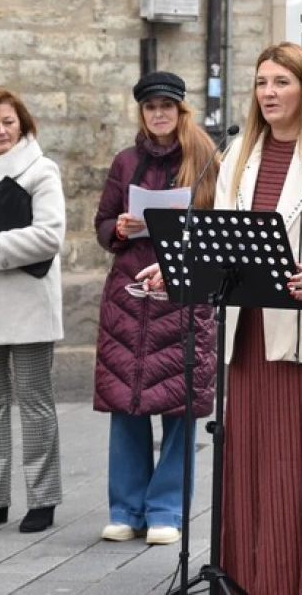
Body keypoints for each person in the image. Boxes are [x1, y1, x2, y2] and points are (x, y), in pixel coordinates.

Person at [139, 42, 302, 594]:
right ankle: (251, 573)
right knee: (250, 459)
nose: (268, 93)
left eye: (281, 82)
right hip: (247, 334)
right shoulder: (239, 151)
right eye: (262, 82)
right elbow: (219, 238)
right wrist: (169, 272)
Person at [93, 72, 218, 545]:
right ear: (142, 113)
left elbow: (218, 225)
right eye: (150, 107)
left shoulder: (204, 159)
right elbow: (102, 224)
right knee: (125, 404)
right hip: (129, 296)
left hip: (182, 294)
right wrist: (121, 229)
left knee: (180, 406)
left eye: (167, 106)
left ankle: (165, 510)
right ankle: (125, 509)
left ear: (181, 110)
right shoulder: (125, 161)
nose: (158, 114)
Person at [0, 88, 65, 533]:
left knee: (35, 405)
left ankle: (43, 499)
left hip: (31, 307)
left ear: (23, 125)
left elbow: (49, 236)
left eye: (7, 122)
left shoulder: (41, 171)